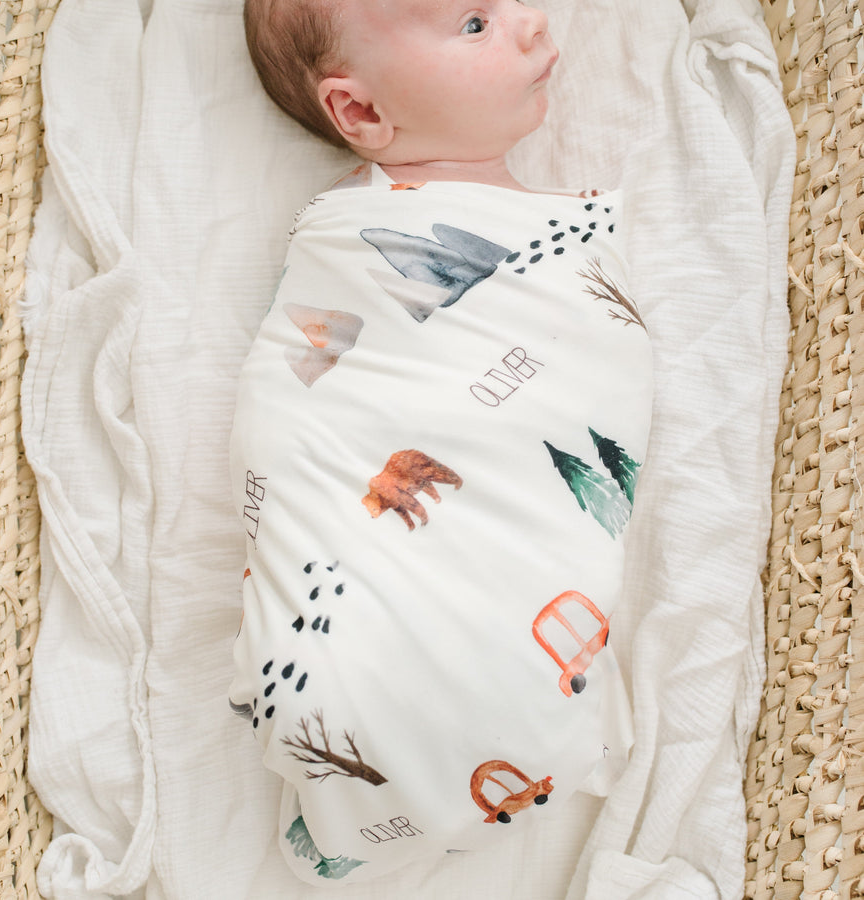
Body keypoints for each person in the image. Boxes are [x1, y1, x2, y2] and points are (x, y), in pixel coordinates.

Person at [229, 0, 654, 886]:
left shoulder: (530, 230)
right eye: (472, 26)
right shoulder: (358, 239)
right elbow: (307, 410)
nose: (532, 25)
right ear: (364, 115)